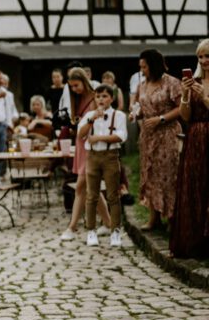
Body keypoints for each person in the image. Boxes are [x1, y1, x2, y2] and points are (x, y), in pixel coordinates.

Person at [133, 48, 183, 230]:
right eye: (140, 67)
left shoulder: (172, 83)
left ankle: (172, 218)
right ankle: (154, 218)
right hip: (148, 136)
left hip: (167, 134)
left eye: (144, 67)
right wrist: (136, 113)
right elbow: (140, 106)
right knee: (150, 175)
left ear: (153, 65)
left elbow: (181, 109)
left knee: (169, 176)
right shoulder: (142, 85)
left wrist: (161, 119)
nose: (142, 71)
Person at [61, 68, 112, 240]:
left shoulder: (95, 97)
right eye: (71, 86)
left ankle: (72, 227)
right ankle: (108, 223)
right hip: (81, 144)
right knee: (91, 187)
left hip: (92, 146)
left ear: (84, 81)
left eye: (76, 85)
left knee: (81, 187)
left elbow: (102, 122)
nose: (74, 89)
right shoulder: (76, 100)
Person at [170, 39, 209, 258]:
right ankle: (194, 241)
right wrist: (185, 95)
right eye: (200, 57)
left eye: (207, 56)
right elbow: (186, 117)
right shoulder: (194, 82)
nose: (203, 61)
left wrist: (204, 97)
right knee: (195, 188)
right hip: (195, 139)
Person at [77, 84, 128, 248]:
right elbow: (80, 134)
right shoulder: (89, 115)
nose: (101, 99)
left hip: (110, 156)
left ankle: (115, 231)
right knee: (91, 195)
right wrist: (91, 119)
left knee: (113, 195)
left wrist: (99, 138)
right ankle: (91, 231)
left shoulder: (118, 115)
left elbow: (121, 136)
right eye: (98, 96)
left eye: (104, 96)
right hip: (92, 157)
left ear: (111, 99)